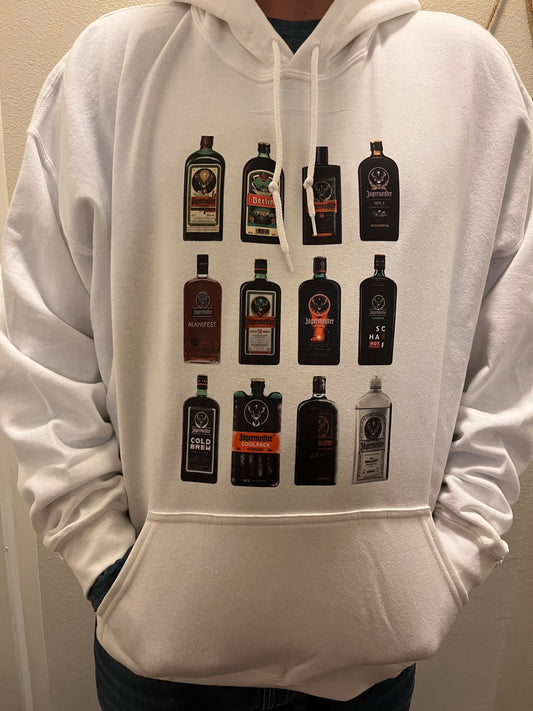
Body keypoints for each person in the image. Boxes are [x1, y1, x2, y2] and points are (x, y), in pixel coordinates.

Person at [1, 0, 532, 709]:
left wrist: (451, 556)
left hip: (373, 654)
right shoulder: (111, 66)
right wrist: (107, 563)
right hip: (155, 657)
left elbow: (513, 353)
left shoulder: (469, 75)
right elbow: (41, 339)